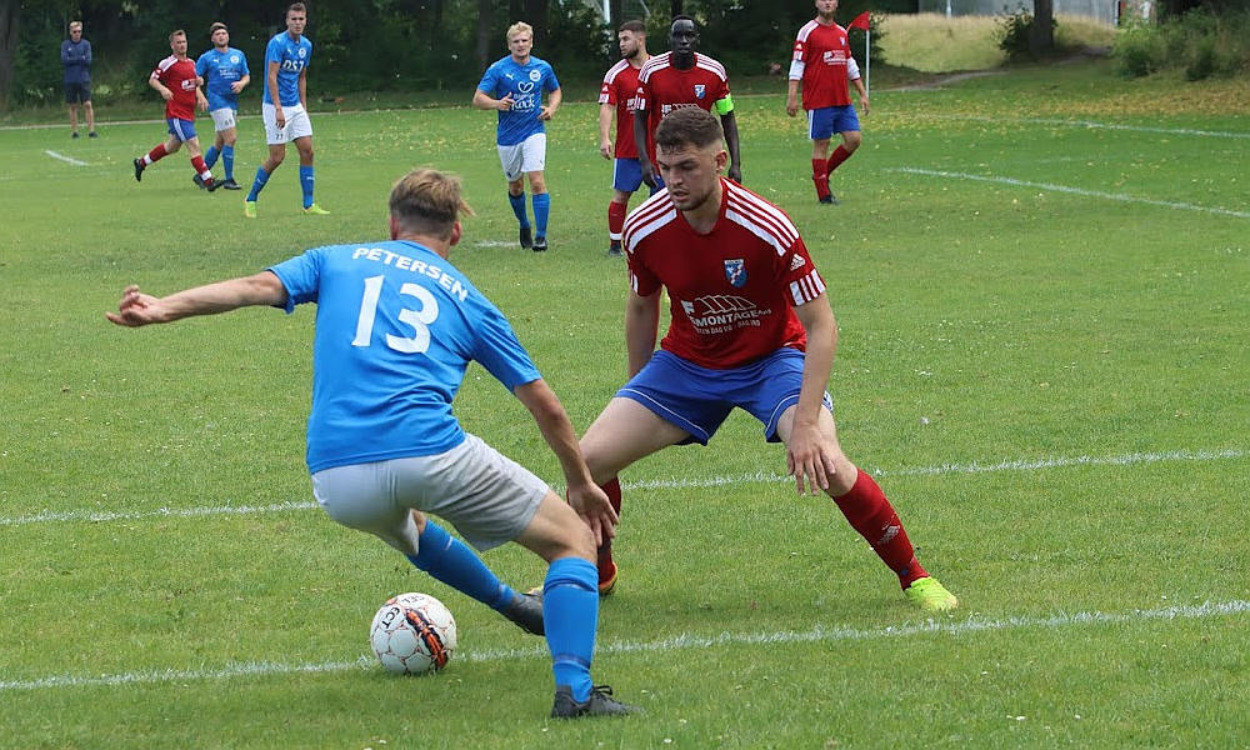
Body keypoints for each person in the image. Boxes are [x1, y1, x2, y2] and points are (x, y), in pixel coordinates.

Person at [106, 167, 640, 719]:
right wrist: (579, 482)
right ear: (455, 233)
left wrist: (164, 306)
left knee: (412, 529)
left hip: (338, 478)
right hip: (430, 452)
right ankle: (575, 694)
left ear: (391, 223)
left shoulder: (333, 259)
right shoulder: (468, 298)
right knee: (573, 540)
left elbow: (249, 289)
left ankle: (513, 605)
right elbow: (545, 406)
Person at [581, 108, 957, 613]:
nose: (673, 180)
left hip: (773, 360)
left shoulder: (768, 225)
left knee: (828, 459)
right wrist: (637, 388)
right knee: (588, 460)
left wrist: (803, 424)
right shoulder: (644, 226)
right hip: (687, 364)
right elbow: (642, 304)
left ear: (721, 161)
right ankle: (598, 572)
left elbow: (823, 326)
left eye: (687, 167)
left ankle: (914, 575)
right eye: (664, 168)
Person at [473, 22, 562, 252]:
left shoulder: (542, 67)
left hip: (534, 130)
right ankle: (524, 224)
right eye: (516, 42)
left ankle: (541, 237)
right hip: (508, 136)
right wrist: (497, 104)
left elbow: (555, 90)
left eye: (524, 41)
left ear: (531, 42)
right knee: (515, 186)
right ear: (509, 45)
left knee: (537, 180)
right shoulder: (498, 69)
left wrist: (551, 109)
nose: (521, 45)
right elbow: (478, 98)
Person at [633, 16, 741, 189]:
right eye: (678, 36)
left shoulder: (715, 72)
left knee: (702, 213)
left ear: (697, 39)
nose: (683, 41)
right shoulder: (651, 71)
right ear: (669, 39)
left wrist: (736, 163)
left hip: (701, 160)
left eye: (689, 35)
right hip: (667, 162)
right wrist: (644, 161)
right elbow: (639, 118)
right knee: (665, 214)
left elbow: (727, 116)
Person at [245, 2, 329, 217]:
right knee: (277, 157)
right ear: (287, 21)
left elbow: (302, 76)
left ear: (305, 20)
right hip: (275, 106)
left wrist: (304, 106)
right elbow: (271, 77)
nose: (298, 23)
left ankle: (308, 203)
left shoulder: (306, 45)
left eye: (301, 19)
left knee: (308, 150)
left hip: (295, 106)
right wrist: (279, 109)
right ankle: (251, 198)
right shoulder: (277, 43)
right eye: (294, 19)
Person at [786, 0, 870, 205]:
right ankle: (824, 195)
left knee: (854, 139)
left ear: (836, 3)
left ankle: (822, 174)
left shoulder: (841, 32)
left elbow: (849, 63)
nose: (827, 2)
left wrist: (862, 93)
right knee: (822, 144)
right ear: (816, 3)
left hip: (842, 99)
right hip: (818, 99)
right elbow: (798, 64)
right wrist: (792, 96)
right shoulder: (807, 31)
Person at [132, 29, 220, 191]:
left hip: (188, 112)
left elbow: (193, 83)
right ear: (172, 45)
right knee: (193, 144)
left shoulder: (192, 63)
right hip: (176, 112)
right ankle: (208, 181)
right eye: (178, 43)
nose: (182, 45)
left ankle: (141, 162)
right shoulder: (168, 63)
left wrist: (200, 94)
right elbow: (153, 80)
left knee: (172, 146)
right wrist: (163, 89)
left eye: (184, 42)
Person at [598, 20, 651, 258]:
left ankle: (657, 242)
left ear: (640, 40)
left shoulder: (658, 68)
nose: (621, 44)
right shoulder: (616, 73)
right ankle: (615, 245)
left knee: (662, 197)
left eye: (625, 39)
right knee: (621, 195)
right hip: (628, 148)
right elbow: (607, 106)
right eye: (620, 39)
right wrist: (605, 138)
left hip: (658, 148)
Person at [195, 22, 250, 190]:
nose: (221, 36)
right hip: (217, 101)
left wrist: (242, 83)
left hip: (231, 101)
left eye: (223, 34)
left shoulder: (238, 55)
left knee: (220, 143)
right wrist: (201, 97)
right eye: (217, 34)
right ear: (212, 38)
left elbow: (246, 75)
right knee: (231, 138)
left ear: (228, 36)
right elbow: (194, 80)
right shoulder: (206, 57)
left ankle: (201, 176)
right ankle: (229, 179)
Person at [61, 21, 97, 139]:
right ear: (71, 32)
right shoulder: (66, 45)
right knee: (72, 106)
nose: (77, 34)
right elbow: (65, 60)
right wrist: (79, 58)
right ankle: (75, 131)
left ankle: (91, 130)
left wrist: (75, 59)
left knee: (87, 104)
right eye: (75, 32)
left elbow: (88, 60)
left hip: (83, 78)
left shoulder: (86, 44)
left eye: (79, 32)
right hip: (70, 79)